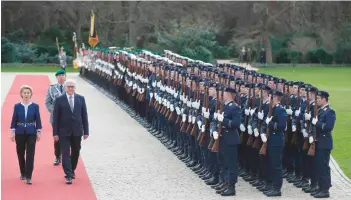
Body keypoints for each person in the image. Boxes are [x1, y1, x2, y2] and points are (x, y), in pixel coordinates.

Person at [53, 79, 89, 184]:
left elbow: (84, 116)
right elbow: (56, 117)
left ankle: (72, 169)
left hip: (77, 131)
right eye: (68, 86)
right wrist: (55, 133)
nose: (70, 88)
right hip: (63, 131)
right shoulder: (59, 100)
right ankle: (68, 174)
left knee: (76, 151)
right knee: (65, 153)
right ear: (65, 87)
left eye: (72, 86)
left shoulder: (81, 99)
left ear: (75, 88)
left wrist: (86, 131)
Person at [10, 85, 42, 185]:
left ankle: (28, 176)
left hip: (31, 132)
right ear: (21, 94)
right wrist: (12, 132)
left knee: (30, 154)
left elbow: (38, 120)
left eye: (28, 93)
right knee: (20, 153)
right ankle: (22, 172)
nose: (26, 94)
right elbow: (14, 119)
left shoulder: (35, 106)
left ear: (31, 94)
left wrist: (39, 132)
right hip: (19, 132)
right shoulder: (17, 106)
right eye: (24, 93)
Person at [260, 90, 288, 197]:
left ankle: (277, 188)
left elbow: (281, 126)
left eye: (271, 97)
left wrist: (270, 123)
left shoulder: (280, 110)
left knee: (276, 165)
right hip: (269, 139)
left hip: (276, 140)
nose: (269, 99)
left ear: (275, 98)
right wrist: (263, 133)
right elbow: (264, 122)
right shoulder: (271, 109)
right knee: (270, 163)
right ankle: (271, 184)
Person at [215, 86, 241, 196]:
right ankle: (225, 183)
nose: (222, 95)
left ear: (229, 95)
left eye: (224, 93)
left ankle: (231, 187)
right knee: (224, 162)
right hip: (223, 138)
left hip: (230, 139)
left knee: (231, 164)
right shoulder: (224, 106)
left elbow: (236, 123)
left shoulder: (234, 107)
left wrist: (223, 120)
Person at [309, 90, 335, 198]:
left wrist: (317, 123)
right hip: (318, 142)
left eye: (318, 99)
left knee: (324, 167)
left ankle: (325, 190)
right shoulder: (320, 110)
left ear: (324, 99)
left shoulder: (330, 111)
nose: (317, 101)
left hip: (324, 143)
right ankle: (320, 187)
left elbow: (328, 127)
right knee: (318, 166)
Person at [45, 69, 66, 166]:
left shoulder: (69, 87)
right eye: (59, 75)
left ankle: (66, 156)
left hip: (67, 117)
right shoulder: (51, 88)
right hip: (55, 118)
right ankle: (57, 156)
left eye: (63, 75)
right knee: (57, 137)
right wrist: (54, 111)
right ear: (56, 77)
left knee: (66, 137)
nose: (61, 77)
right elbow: (47, 102)